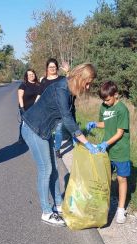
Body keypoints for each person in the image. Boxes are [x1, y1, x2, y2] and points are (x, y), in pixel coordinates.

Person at [21, 63, 98, 227]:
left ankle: (58, 204)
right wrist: (85, 141)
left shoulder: (70, 90)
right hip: (33, 128)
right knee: (45, 169)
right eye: (88, 82)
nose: (89, 86)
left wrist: (76, 137)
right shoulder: (61, 90)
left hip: (44, 130)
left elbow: (71, 115)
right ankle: (46, 212)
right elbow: (67, 118)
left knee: (54, 168)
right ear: (80, 78)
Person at [86, 80, 130, 224]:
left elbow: (119, 133)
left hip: (120, 150)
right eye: (103, 100)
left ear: (115, 95)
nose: (105, 102)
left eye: (107, 99)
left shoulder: (122, 109)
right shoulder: (104, 107)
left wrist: (105, 143)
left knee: (121, 179)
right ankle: (104, 205)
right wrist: (94, 124)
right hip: (107, 151)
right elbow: (105, 123)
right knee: (105, 177)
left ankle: (120, 209)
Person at [40, 58, 72, 158]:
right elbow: (41, 95)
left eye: (54, 67)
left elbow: (70, 83)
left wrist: (68, 71)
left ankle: (57, 149)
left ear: (57, 68)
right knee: (48, 131)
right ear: (47, 68)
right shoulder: (43, 80)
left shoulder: (62, 79)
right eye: (50, 67)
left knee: (58, 131)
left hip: (60, 109)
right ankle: (48, 148)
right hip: (48, 110)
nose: (52, 68)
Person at [17, 69, 41, 143]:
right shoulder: (23, 85)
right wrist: (22, 109)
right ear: (27, 76)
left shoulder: (38, 84)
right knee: (24, 124)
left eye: (32, 74)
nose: (31, 75)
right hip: (25, 108)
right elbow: (20, 97)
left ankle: (35, 137)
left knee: (35, 123)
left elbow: (40, 95)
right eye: (29, 74)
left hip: (35, 108)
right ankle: (21, 138)